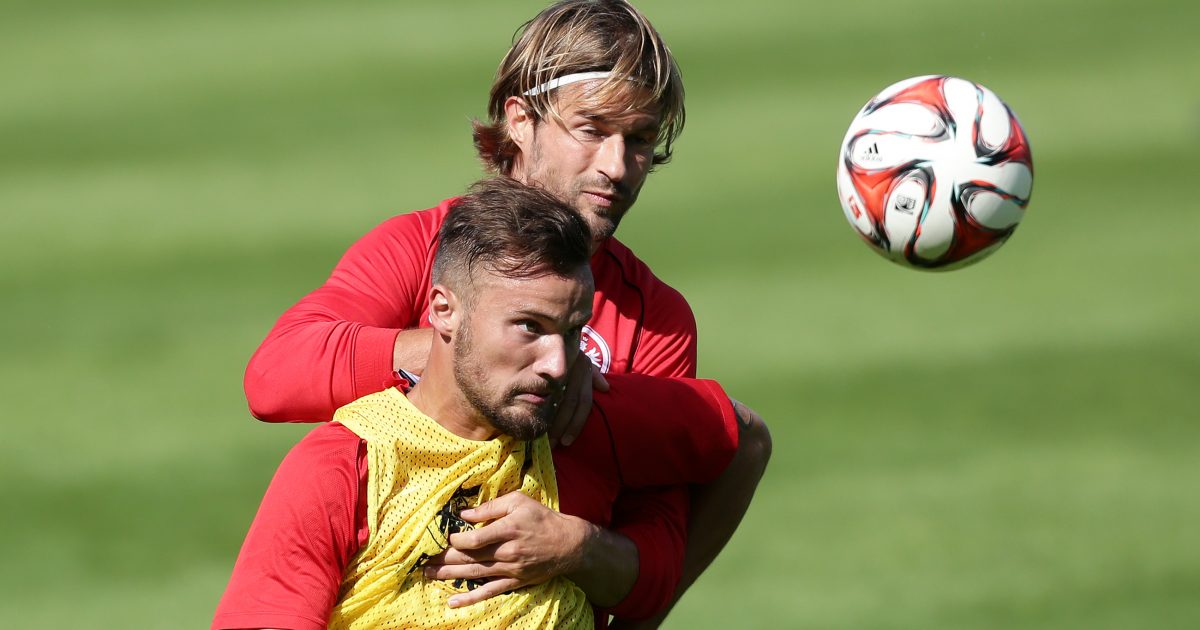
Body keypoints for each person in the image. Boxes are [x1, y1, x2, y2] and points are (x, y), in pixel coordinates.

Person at [241, 0, 771, 622]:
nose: (616, 166)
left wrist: (576, 548)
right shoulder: (422, 248)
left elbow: (653, 571)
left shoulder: (656, 318)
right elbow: (275, 377)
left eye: (640, 139)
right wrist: (478, 353)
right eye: (592, 129)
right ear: (520, 119)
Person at [213, 178, 768, 629]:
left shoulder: (584, 429)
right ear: (443, 312)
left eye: (573, 332)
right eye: (530, 327)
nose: (558, 365)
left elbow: (743, 442)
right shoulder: (346, 467)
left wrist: (579, 548)